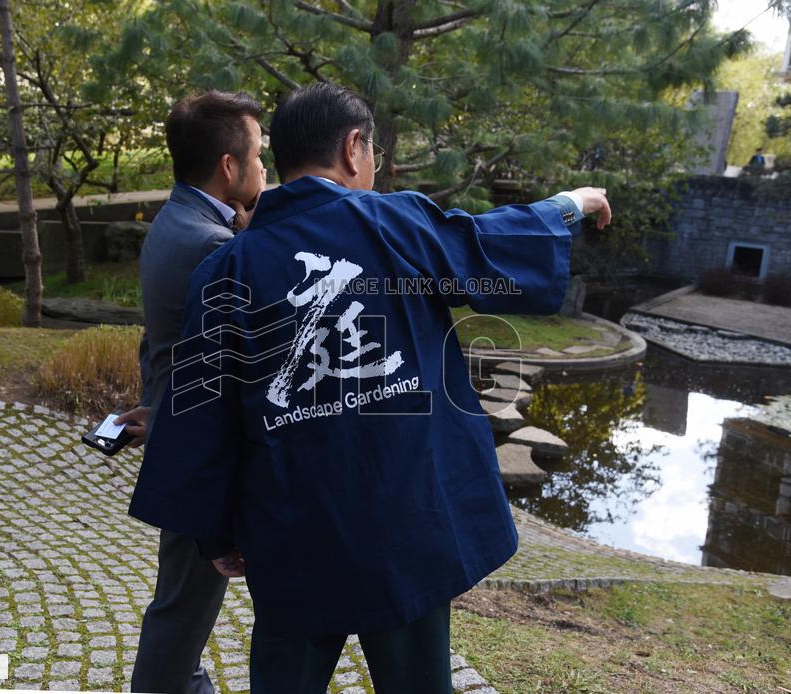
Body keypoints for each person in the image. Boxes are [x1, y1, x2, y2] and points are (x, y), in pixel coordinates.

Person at [129, 83, 611, 693]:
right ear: (354, 148)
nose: (376, 168)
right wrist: (572, 202)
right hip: (406, 525)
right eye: (374, 153)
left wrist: (216, 534)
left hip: (291, 534)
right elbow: (487, 241)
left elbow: (202, 413)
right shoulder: (399, 225)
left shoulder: (227, 268)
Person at [116, 90, 266, 694]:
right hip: (196, 448)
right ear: (229, 167)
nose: (265, 171)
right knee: (184, 602)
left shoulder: (176, 218)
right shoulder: (215, 247)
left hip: (176, 428)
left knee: (184, 594)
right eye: (259, 158)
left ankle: (185, 680)